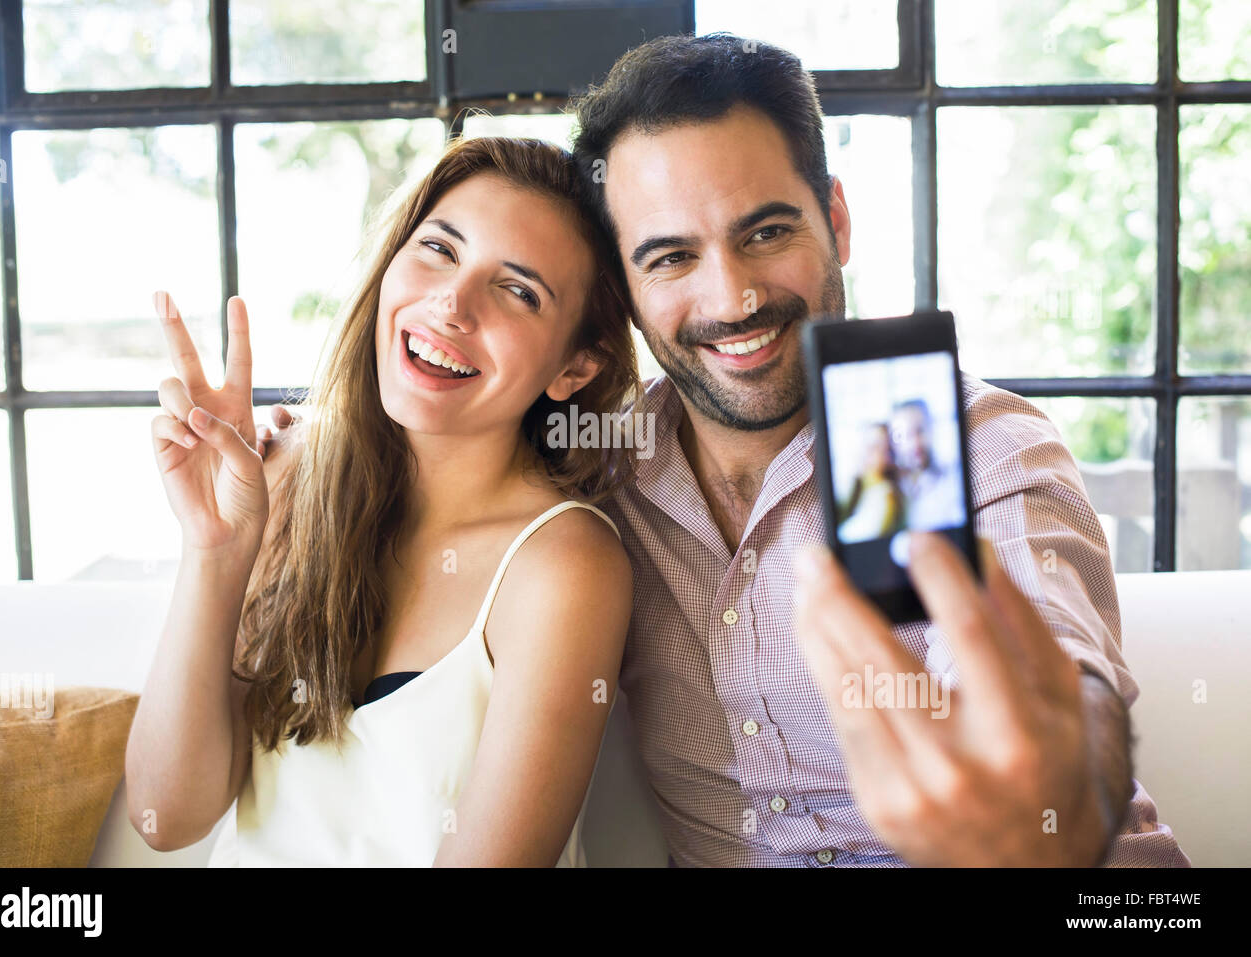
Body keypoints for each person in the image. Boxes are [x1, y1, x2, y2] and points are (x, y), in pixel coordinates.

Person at [263, 36, 1190, 868]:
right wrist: (309, 449)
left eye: (767, 232)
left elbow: (1067, 695)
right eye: (670, 257)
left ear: (837, 217)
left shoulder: (977, 447)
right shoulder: (603, 473)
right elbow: (456, 439)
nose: (734, 296)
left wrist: (1041, 794)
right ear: (623, 292)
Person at [124, 136, 639, 866]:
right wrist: (215, 549)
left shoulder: (563, 563)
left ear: (575, 366)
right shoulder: (291, 477)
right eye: (438, 249)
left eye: (518, 290)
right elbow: (166, 816)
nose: (451, 304)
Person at [888, 398, 966, 532]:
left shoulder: (954, 477)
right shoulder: (891, 489)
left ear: (932, 429)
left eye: (920, 431)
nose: (914, 443)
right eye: (902, 435)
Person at [836, 422, 905, 542]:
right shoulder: (859, 487)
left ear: (889, 456)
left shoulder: (885, 495)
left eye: (874, 447)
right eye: (863, 444)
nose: (864, 451)